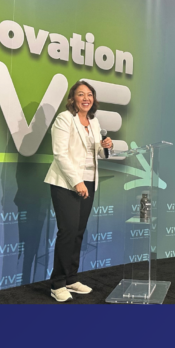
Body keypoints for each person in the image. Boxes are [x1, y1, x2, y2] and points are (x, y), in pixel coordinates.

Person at [43, 81, 113, 302]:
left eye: (89, 94)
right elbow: (60, 154)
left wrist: (106, 147)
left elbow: (98, 154)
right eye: (81, 94)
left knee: (79, 231)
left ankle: (71, 278)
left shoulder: (94, 121)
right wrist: (76, 182)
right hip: (67, 183)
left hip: (89, 182)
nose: (86, 98)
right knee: (68, 231)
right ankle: (57, 284)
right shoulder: (64, 119)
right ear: (72, 98)